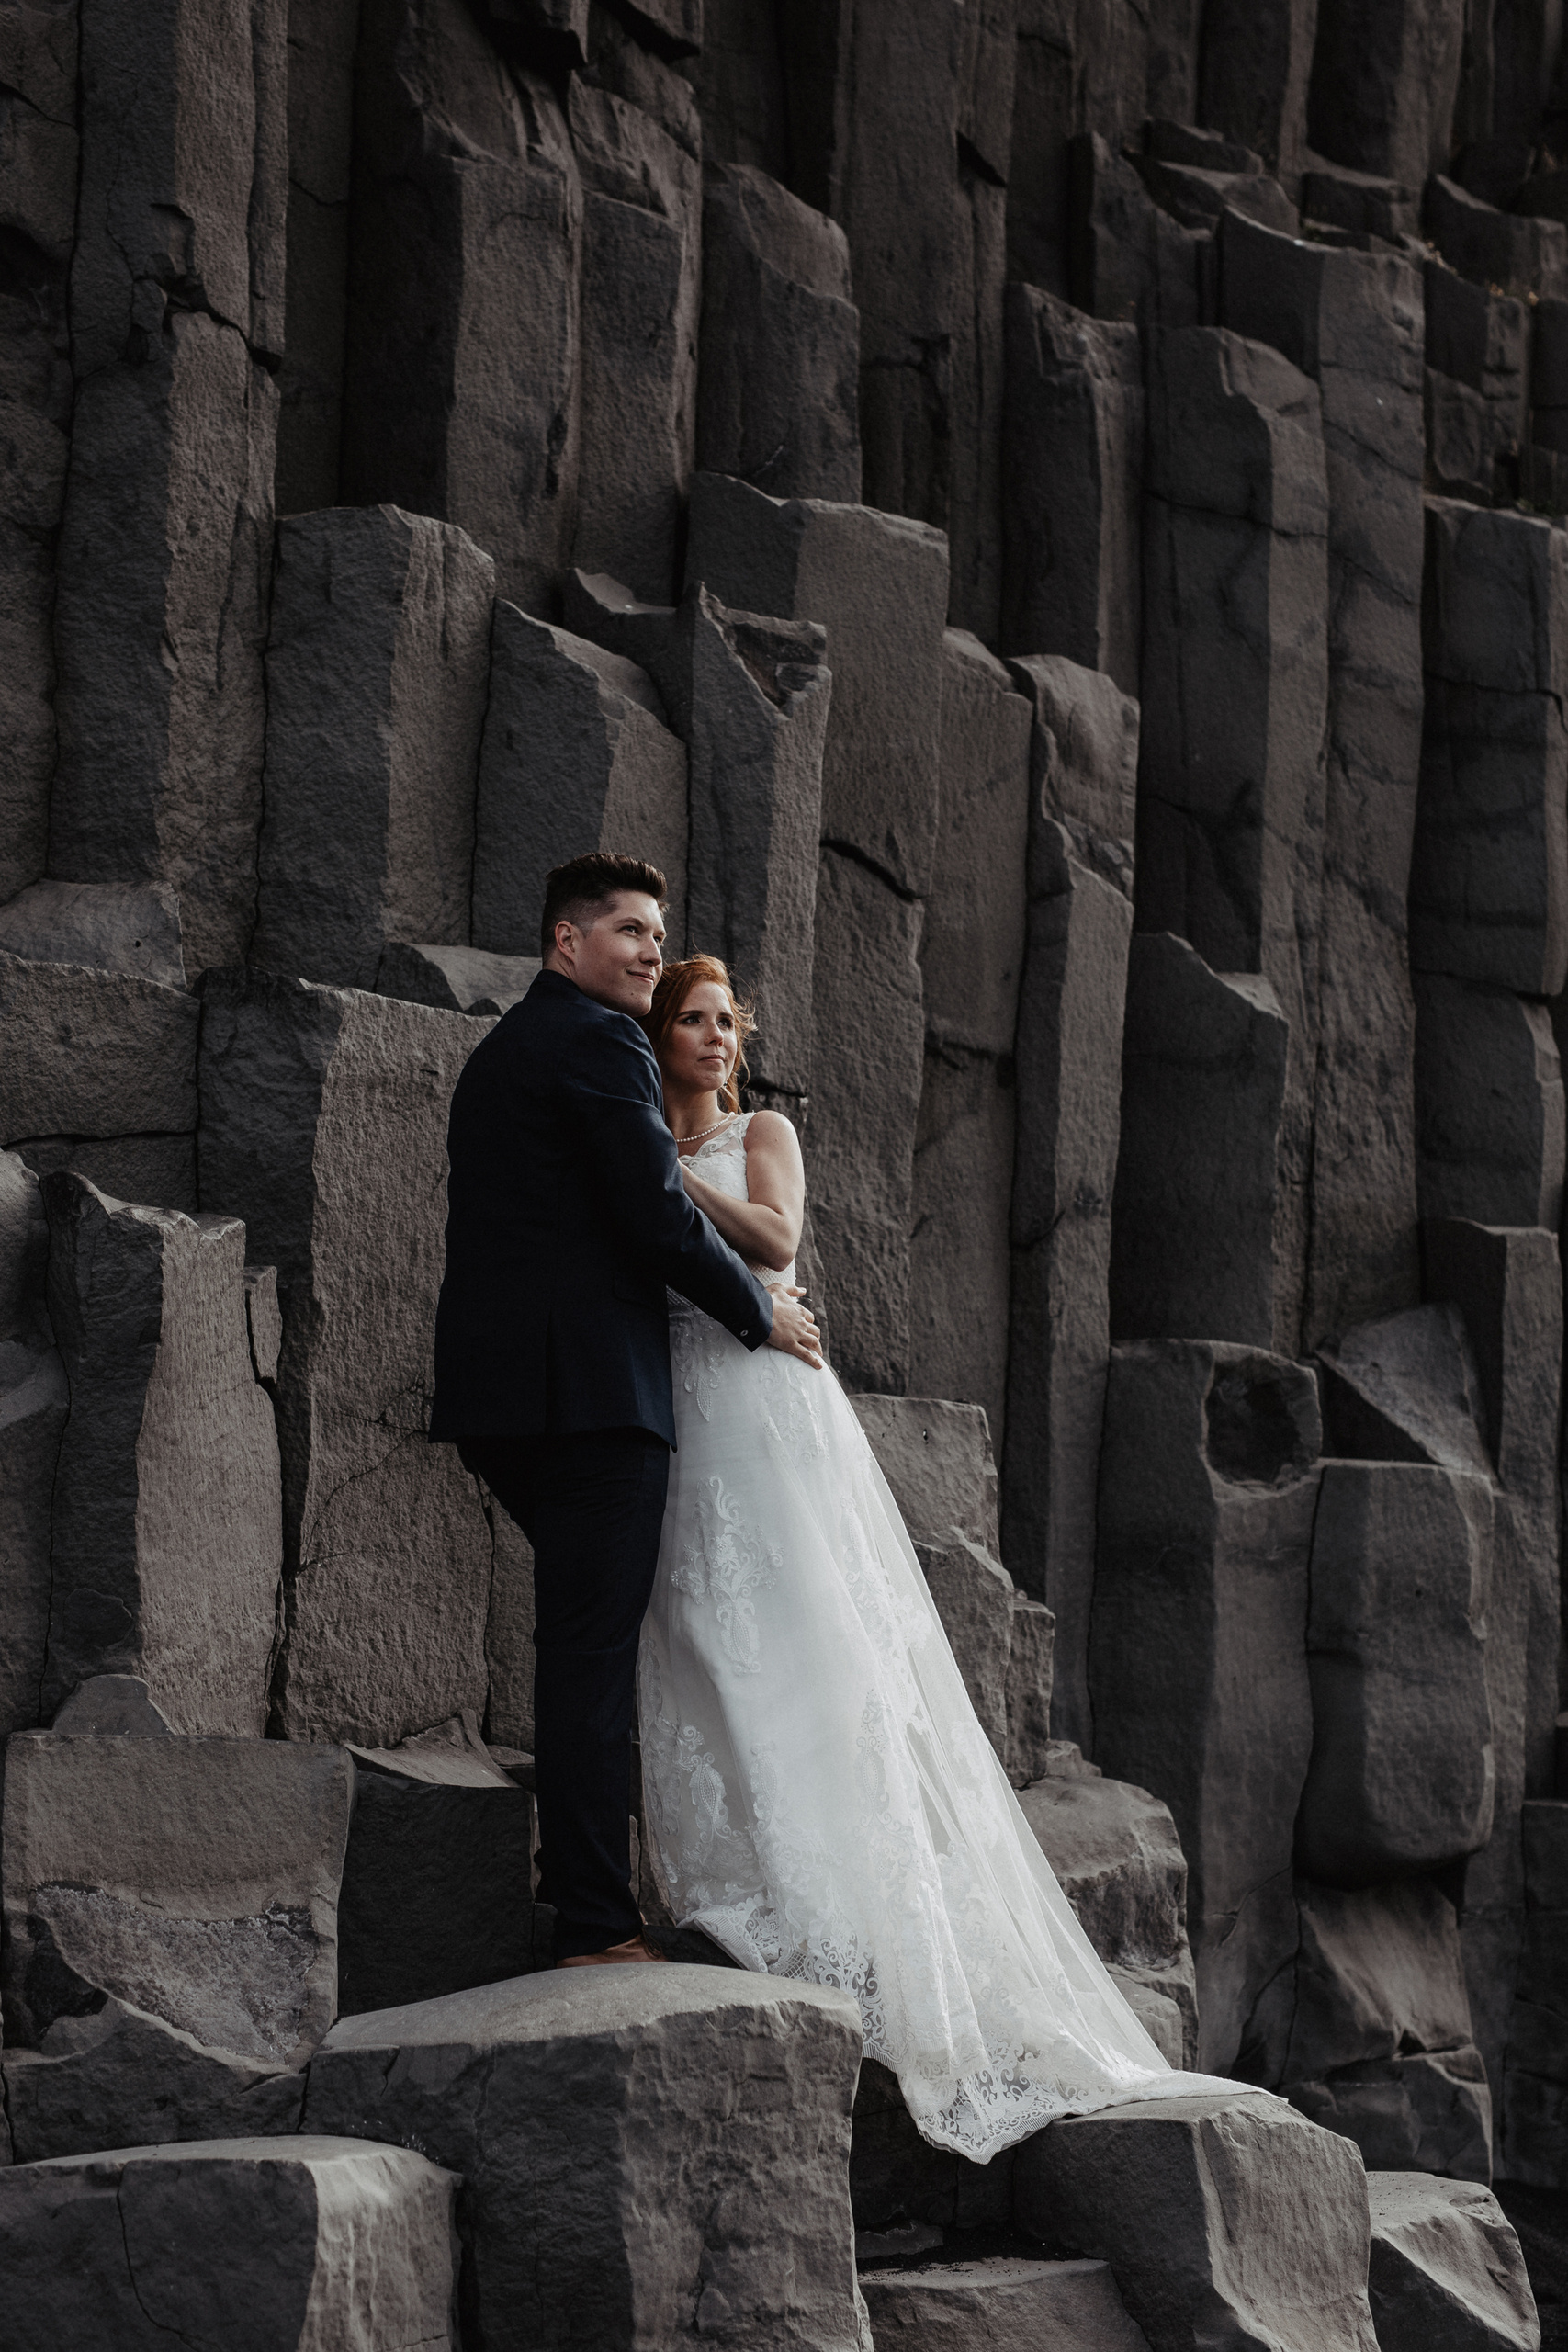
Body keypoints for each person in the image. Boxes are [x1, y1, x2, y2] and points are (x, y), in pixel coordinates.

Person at [636, 953, 1238, 2156]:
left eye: (721, 1022)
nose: (709, 1038)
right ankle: (733, 1885)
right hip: (682, 1418)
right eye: (687, 1022)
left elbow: (774, 1233)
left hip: (767, 1415)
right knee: (698, 1637)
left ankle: (856, 1924)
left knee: (811, 1648)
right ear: (655, 1038)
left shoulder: (758, 1134)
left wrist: (663, 1182)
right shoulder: (637, 1145)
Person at [430, 854, 822, 1967]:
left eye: (660, 935)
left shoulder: (500, 1054)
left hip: (508, 1399)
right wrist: (760, 1316)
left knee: (585, 1647)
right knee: (592, 1658)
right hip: (595, 1401)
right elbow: (653, 1216)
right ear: (567, 942)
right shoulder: (600, 1042)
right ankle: (598, 1924)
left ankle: (589, 1895)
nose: (653, 949)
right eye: (632, 933)